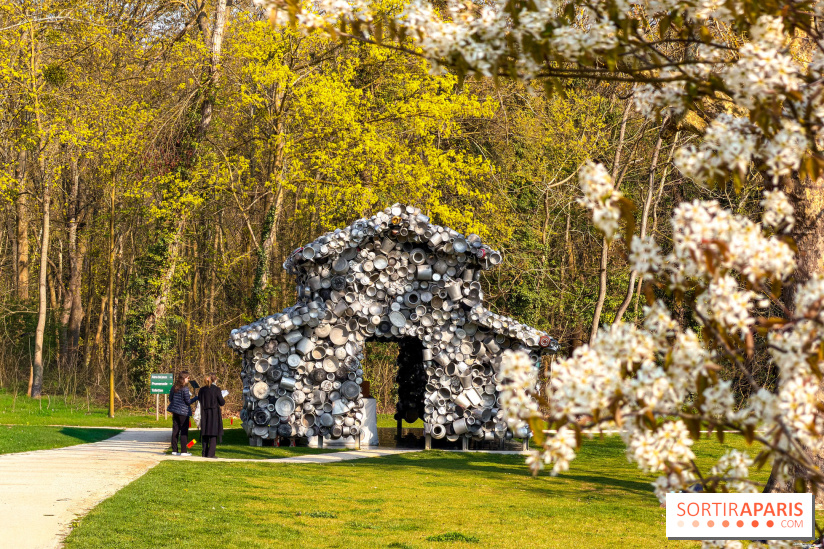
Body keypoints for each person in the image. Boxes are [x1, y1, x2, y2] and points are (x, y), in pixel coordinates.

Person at [167, 370, 198, 456]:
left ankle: (174, 450)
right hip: (183, 412)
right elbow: (188, 402)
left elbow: (170, 399)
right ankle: (184, 451)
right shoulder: (185, 388)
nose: (188, 379)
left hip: (175, 411)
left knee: (175, 430)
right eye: (188, 378)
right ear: (184, 378)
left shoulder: (174, 387)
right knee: (184, 431)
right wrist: (196, 398)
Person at [198, 373, 225, 458]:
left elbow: (200, 399)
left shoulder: (202, 390)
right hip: (213, 413)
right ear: (215, 379)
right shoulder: (216, 389)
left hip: (204, 412)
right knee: (213, 433)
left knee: (205, 432)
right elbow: (221, 402)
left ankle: (204, 453)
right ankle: (211, 453)